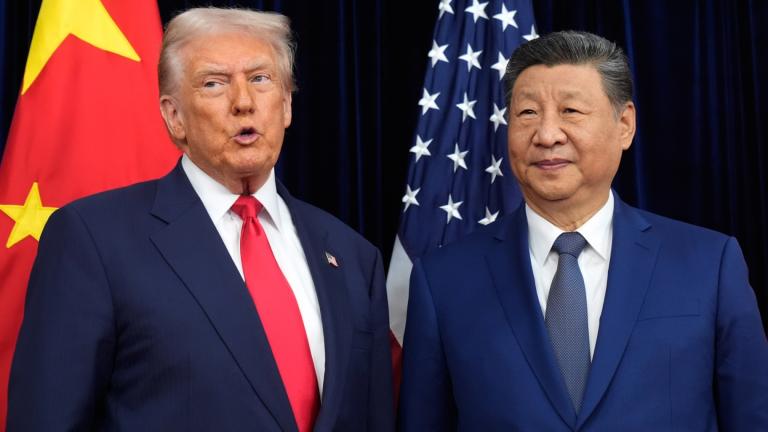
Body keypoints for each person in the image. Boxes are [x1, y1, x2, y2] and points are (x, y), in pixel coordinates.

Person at [8, 7, 393, 432]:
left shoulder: (353, 257)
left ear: (285, 106)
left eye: (261, 79)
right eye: (214, 83)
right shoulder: (93, 241)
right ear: (174, 117)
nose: (243, 103)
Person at [398, 30, 768, 431]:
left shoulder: (708, 264)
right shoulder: (443, 280)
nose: (547, 134)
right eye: (527, 114)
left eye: (570, 111)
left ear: (624, 124)